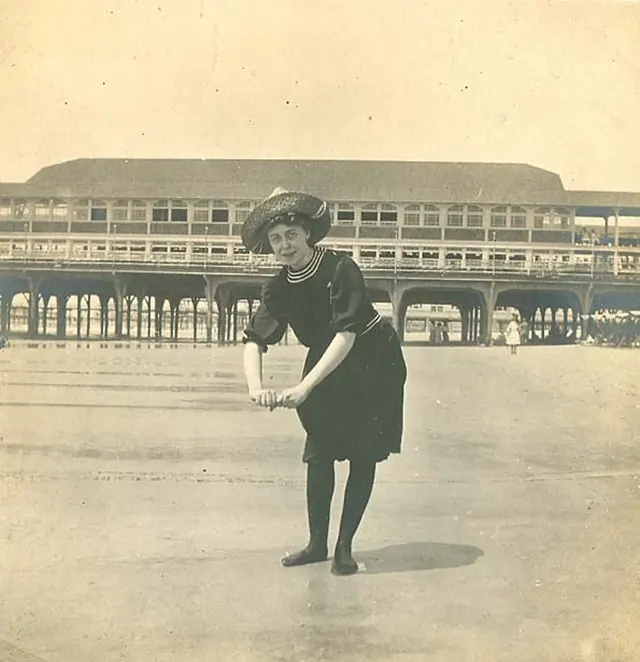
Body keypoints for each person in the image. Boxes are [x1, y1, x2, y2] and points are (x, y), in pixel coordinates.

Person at [241, 188, 407, 576]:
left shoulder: (340, 268)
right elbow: (254, 339)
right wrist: (254, 386)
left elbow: (346, 334)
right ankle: (317, 544)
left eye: (291, 236)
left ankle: (344, 547)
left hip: (371, 360)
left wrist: (304, 388)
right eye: (276, 239)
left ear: (307, 235)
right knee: (319, 452)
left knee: (364, 454)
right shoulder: (278, 288)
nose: (285, 246)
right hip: (325, 356)